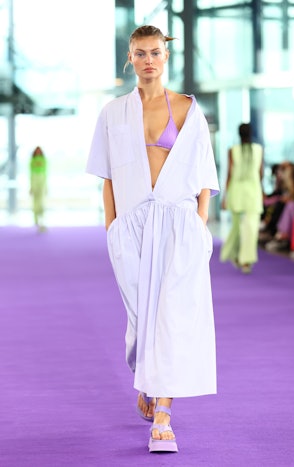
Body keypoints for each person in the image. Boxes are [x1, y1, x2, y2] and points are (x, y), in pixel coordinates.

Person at [86, 25, 220, 453]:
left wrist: (200, 226)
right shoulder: (112, 113)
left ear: (167, 56)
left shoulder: (188, 108)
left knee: (172, 318)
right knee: (141, 323)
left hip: (180, 226)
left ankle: (163, 416)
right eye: (140, 53)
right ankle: (147, 377)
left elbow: (203, 174)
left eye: (156, 52)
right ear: (130, 58)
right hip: (131, 229)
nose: (148, 60)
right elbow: (106, 176)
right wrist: (112, 226)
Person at [220, 123, 263, 273]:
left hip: (236, 192)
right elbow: (261, 173)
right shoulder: (258, 150)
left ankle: (236, 255)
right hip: (253, 192)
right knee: (251, 228)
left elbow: (229, 175)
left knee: (237, 227)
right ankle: (245, 261)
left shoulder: (233, 150)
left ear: (239, 134)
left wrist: (224, 197)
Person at [29, 146, 47, 231]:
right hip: (35, 181)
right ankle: (35, 220)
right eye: (37, 150)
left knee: (41, 202)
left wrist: (46, 187)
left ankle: (42, 220)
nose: (38, 152)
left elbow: (46, 173)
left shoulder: (44, 160)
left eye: (39, 150)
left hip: (42, 182)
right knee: (35, 202)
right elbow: (31, 174)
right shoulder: (32, 161)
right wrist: (31, 187)